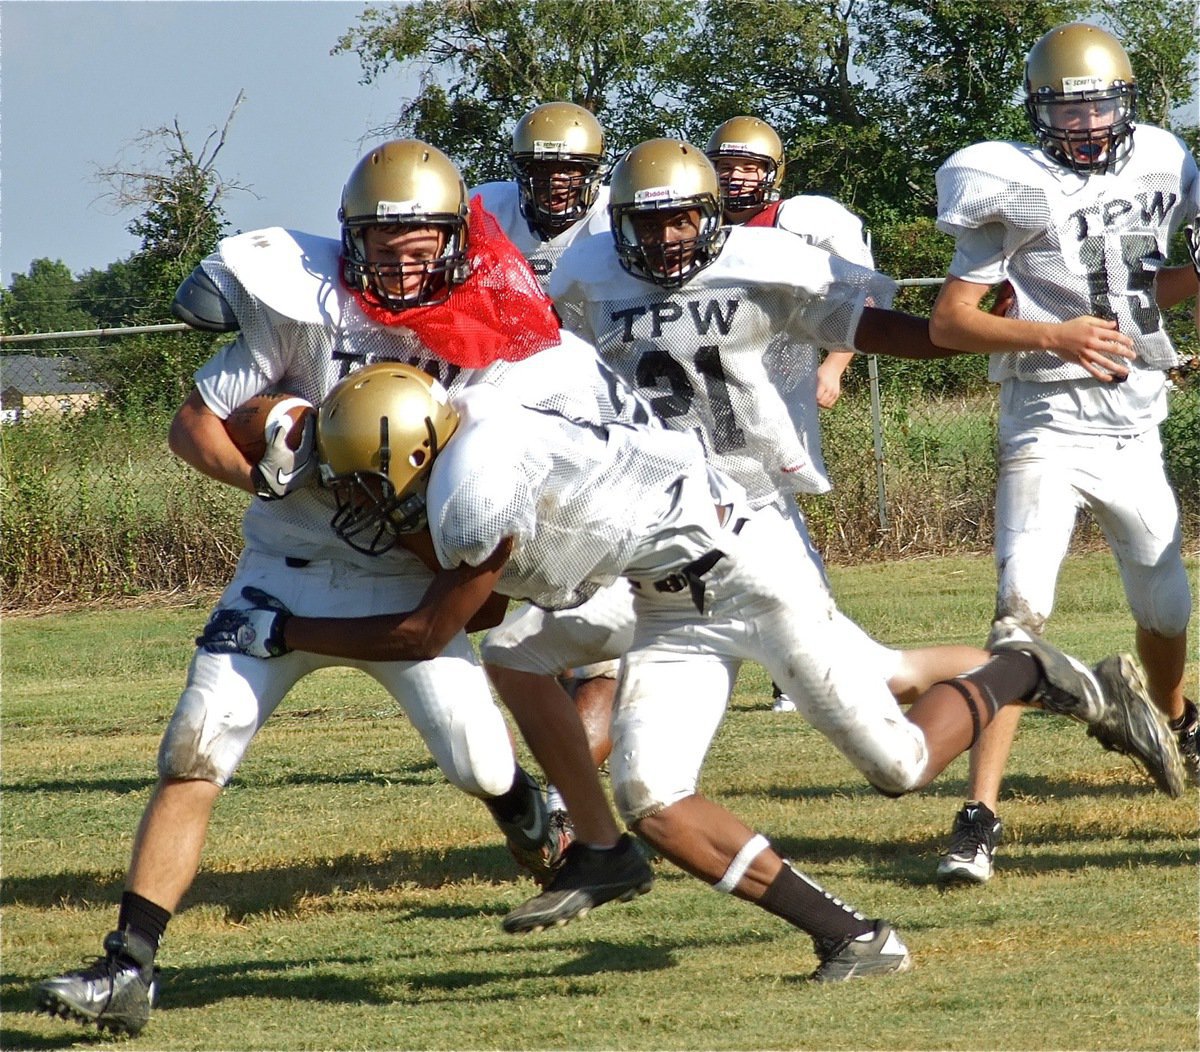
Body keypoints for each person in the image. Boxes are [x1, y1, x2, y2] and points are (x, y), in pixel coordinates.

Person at [196, 356, 1183, 981]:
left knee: (897, 764)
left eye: (377, 481)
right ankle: (852, 935)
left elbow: (427, 630)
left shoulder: (470, 484)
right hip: (665, 591)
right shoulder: (463, 410)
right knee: (651, 791)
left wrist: (286, 632)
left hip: (750, 573)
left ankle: (1024, 670)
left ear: (418, 450)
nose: (369, 502)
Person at [32, 139, 648, 1038]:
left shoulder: (494, 340)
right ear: (347, 236)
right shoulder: (303, 309)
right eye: (382, 236)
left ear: (457, 238)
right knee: (193, 752)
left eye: (422, 237)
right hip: (280, 571)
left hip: (401, 578)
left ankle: (526, 813)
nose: (402, 255)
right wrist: (271, 475)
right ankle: (128, 965)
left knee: (474, 762)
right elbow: (194, 426)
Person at [927, 22, 1200, 885]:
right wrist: (1056, 334)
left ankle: (1167, 721)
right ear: (1038, 110)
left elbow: (1150, 278)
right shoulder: (1009, 177)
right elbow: (948, 321)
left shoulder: (1166, 159)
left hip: (1136, 420)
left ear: (1127, 103)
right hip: (1045, 420)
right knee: (1018, 619)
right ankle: (979, 815)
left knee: (1167, 611)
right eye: (1066, 109)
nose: (1084, 124)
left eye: (1099, 106)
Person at [705, 115, 872, 711]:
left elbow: (862, 298)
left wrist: (834, 366)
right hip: (711, 395)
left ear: (774, 173)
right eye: (726, 167)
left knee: (777, 515)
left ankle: (803, 664)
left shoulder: (801, 222)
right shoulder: (692, 227)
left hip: (782, 391)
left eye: (750, 166)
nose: (738, 179)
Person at [470, 101, 610, 290]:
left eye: (568, 169)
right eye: (542, 168)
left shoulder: (611, 218)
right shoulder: (489, 209)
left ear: (592, 171)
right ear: (523, 171)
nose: (554, 181)